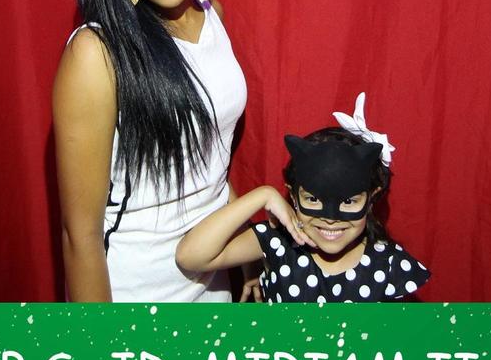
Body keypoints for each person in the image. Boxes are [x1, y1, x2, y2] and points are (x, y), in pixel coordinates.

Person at [53, 0, 249, 302]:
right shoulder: (95, 54)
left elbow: (212, 158)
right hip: (137, 293)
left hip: (214, 274)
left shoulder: (213, 15)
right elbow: (80, 237)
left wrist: (246, 255)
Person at [176, 93, 431, 302]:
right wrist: (263, 195)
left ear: (372, 198)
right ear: (293, 195)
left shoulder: (388, 263)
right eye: (313, 200)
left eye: (349, 202)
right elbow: (191, 256)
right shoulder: (278, 243)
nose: (330, 219)